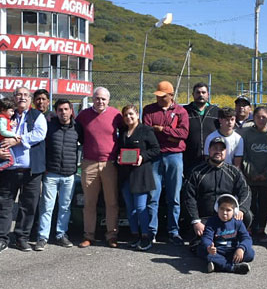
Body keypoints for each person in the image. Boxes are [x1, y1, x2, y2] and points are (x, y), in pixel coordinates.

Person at [0, 87, 47, 255]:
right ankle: (1, 239)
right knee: (4, 205)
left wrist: (17, 140)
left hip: (31, 170)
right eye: (19, 94)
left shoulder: (38, 116)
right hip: (8, 169)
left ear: (30, 99)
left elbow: (40, 134)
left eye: (26, 95)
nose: (22, 97)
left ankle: (22, 238)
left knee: (28, 205)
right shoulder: (4, 116)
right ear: (13, 98)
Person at [182, 137, 252, 252]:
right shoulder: (196, 172)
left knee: (248, 215)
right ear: (209, 150)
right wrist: (196, 221)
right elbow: (188, 197)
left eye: (221, 149)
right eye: (215, 148)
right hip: (205, 219)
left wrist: (241, 209)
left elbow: (246, 191)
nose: (218, 151)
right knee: (199, 246)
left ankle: (233, 241)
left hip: (227, 217)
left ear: (226, 152)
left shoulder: (234, 172)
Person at [142, 81, 189, 246]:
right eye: (158, 96)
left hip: (175, 156)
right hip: (155, 156)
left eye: (163, 96)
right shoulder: (148, 110)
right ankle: (151, 231)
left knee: (174, 197)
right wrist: (172, 137)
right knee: (152, 196)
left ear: (171, 95)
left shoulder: (181, 111)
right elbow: (147, 132)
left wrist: (163, 131)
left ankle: (173, 232)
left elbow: (183, 133)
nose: (160, 99)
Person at [75, 86, 122, 248]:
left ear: (108, 100)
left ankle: (112, 235)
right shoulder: (83, 115)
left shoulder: (116, 115)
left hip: (110, 163)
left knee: (112, 202)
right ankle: (89, 235)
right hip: (89, 163)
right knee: (89, 202)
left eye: (103, 99)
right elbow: (73, 130)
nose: (100, 101)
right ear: (92, 99)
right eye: (97, 98)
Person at [35, 99, 78, 250]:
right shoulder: (49, 125)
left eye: (66, 109)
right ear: (56, 111)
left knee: (65, 207)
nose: (63, 112)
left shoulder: (78, 128)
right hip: (51, 173)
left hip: (69, 175)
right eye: (60, 109)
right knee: (47, 206)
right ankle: (43, 237)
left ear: (71, 110)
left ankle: (61, 234)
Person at [118, 104, 161, 250]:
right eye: (125, 115)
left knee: (140, 207)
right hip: (126, 174)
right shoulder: (123, 131)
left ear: (137, 114)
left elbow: (156, 150)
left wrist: (143, 156)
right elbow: (120, 149)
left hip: (141, 174)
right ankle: (135, 235)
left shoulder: (145, 130)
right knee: (130, 208)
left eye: (131, 114)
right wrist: (119, 158)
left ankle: (146, 237)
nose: (128, 117)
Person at [238, 106, 267, 240]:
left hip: (266, 176)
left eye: (264, 117)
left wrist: (265, 173)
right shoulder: (247, 133)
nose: (261, 119)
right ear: (254, 117)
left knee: (264, 204)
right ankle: (250, 228)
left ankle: (262, 229)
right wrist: (251, 172)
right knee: (251, 204)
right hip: (250, 176)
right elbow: (244, 154)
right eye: (258, 117)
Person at [200, 195, 254, 274]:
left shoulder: (237, 222)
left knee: (250, 253)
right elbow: (206, 237)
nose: (224, 213)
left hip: (233, 250)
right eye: (221, 209)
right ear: (217, 209)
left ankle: (218, 265)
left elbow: (246, 238)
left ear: (234, 211)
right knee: (205, 253)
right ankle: (233, 267)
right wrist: (209, 247)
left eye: (228, 210)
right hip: (217, 251)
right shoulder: (212, 222)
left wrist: (241, 248)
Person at [184, 82, 220, 177]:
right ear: (193, 94)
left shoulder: (216, 112)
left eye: (203, 92)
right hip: (189, 159)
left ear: (208, 94)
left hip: (211, 159)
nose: (201, 95)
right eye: (198, 92)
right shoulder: (184, 111)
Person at [0, 97, 21, 187]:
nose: (13, 113)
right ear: (2, 109)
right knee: (11, 161)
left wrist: (10, 124)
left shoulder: (2, 119)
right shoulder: (1, 119)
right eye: (11, 111)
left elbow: (2, 126)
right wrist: (14, 135)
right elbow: (3, 131)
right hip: (3, 142)